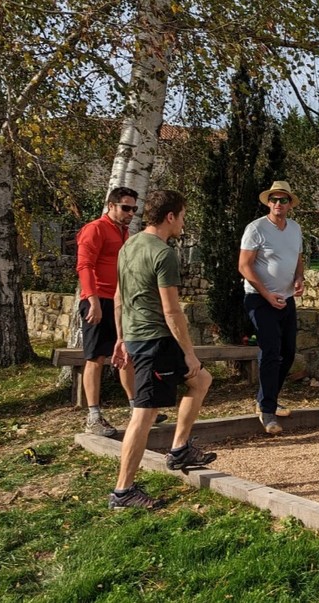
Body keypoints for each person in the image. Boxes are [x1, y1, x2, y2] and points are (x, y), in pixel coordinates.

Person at [108, 190, 216, 509]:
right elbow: (172, 311)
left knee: (201, 382)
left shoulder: (129, 245)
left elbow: (118, 297)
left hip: (140, 337)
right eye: (182, 215)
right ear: (170, 216)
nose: (183, 222)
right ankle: (123, 491)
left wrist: (120, 337)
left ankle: (180, 448)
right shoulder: (163, 253)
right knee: (144, 414)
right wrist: (189, 352)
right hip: (154, 341)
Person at [238, 180, 304, 435]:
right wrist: (266, 294)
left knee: (288, 352)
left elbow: (297, 259)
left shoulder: (295, 229)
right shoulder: (256, 228)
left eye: (283, 200)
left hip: (286, 299)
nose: (278, 204)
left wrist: (299, 279)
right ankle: (267, 411)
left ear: (289, 204)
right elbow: (244, 265)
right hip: (259, 298)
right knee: (270, 350)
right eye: (274, 199)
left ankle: (268, 398)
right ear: (268, 202)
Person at [75, 186, 138, 437]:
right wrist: (92, 300)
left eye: (133, 209)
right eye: (125, 208)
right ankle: (93, 416)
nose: (130, 213)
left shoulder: (124, 233)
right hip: (98, 299)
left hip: (119, 300)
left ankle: (137, 408)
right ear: (111, 206)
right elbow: (85, 265)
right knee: (96, 358)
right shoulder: (95, 229)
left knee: (126, 353)